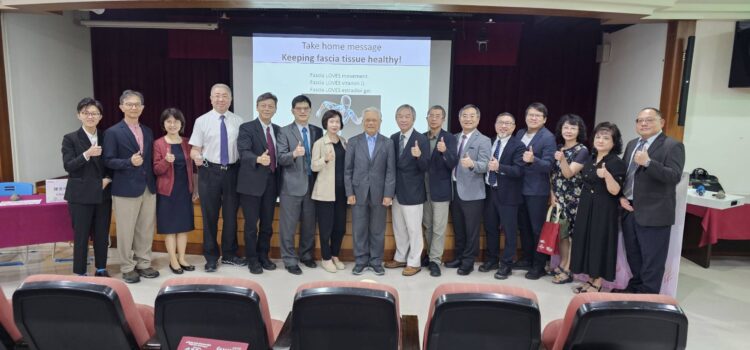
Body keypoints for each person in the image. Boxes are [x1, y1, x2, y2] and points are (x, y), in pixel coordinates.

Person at [616, 107, 685, 294]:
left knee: (652, 259)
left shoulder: (672, 146)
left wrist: (648, 163)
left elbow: (674, 176)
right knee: (634, 255)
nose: (643, 123)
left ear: (661, 123)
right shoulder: (632, 144)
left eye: (649, 120)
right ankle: (635, 288)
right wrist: (621, 196)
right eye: (639, 120)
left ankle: (647, 297)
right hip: (629, 209)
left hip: (655, 212)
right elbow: (626, 175)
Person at [103, 90, 158, 283]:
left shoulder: (148, 131)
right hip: (125, 188)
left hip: (148, 187)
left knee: (145, 228)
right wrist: (128, 162)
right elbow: (108, 160)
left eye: (137, 105)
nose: (133, 108)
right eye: (129, 104)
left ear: (142, 108)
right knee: (126, 230)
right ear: (121, 107)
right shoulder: (112, 132)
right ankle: (127, 266)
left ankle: (144, 263)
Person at [189, 83, 245, 272]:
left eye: (224, 96)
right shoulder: (201, 121)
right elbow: (194, 149)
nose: (221, 99)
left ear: (231, 99)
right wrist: (196, 156)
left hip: (232, 172)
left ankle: (229, 254)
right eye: (217, 96)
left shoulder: (239, 121)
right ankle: (211, 257)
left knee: (231, 216)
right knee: (209, 217)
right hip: (209, 172)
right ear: (211, 98)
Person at [570, 122, 627, 293]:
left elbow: (615, 190)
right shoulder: (591, 158)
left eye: (606, 138)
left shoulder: (615, 162)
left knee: (599, 243)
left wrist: (607, 175)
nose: (601, 140)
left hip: (604, 208)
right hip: (587, 205)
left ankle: (598, 281)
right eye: (598, 137)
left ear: (614, 142)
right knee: (586, 241)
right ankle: (589, 279)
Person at [62, 97, 112, 277]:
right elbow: (68, 166)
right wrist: (87, 154)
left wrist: (107, 178)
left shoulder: (107, 136)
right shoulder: (70, 138)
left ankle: (101, 268)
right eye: (86, 113)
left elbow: (112, 163)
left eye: (94, 113)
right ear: (79, 115)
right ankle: (80, 271)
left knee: (101, 233)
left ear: (100, 116)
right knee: (81, 235)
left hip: (102, 193)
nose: (90, 116)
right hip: (80, 195)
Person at [344, 107, 396, 276]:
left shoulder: (387, 143)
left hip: (380, 193)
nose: (371, 123)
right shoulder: (353, 141)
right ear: (363, 122)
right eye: (367, 120)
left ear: (380, 122)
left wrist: (388, 194)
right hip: (358, 193)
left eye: (374, 120)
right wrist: (349, 192)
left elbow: (390, 171)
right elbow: (348, 170)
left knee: (377, 229)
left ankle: (375, 261)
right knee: (359, 228)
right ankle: (360, 261)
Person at [277, 95, 323, 275]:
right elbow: (281, 158)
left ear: (310, 110)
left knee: (309, 224)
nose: (303, 111)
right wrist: (294, 154)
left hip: (314, 184)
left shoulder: (317, 131)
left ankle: (306, 255)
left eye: (306, 108)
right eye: (299, 109)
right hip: (291, 185)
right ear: (292, 111)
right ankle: (289, 260)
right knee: (288, 226)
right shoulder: (284, 131)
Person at [237, 92, 281, 274]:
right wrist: (257, 159)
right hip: (251, 184)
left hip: (272, 183)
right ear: (257, 107)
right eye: (263, 105)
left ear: (275, 109)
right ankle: (252, 259)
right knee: (250, 225)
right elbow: (243, 151)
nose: (267, 109)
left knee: (267, 224)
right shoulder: (247, 128)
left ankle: (264, 255)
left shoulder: (279, 130)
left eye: (270, 106)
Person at [444, 104, 491, 276]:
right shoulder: (454, 138)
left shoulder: (483, 140)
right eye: (465, 115)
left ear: (478, 119)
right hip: (454, 188)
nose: (468, 119)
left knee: (471, 229)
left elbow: (486, 165)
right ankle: (459, 256)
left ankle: (469, 261)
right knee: (458, 227)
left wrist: (473, 164)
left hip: (473, 192)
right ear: (459, 118)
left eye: (472, 116)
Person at [514, 102, 556, 280]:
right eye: (530, 115)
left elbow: (549, 165)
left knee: (536, 228)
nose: (533, 118)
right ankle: (527, 258)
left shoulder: (548, 137)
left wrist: (533, 160)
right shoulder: (520, 133)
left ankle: (539, 265)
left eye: (537, 116)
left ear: (545, 119)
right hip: (518, 187)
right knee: (523, 226)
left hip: (537, 190)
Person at [480, 112, 525, 280]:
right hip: (489, 192)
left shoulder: (518, 146)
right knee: (490, 227)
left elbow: (519, 171)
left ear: (513, 127)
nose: (503, 126)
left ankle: (507, 264)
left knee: (509, 230)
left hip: (508, 195)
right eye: (501, 122)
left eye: (508, 123)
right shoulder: (489, 142)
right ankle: (492, 259)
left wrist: (499, 167)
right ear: (495, 124)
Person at [384, 104, 429, 276]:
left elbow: (425, 166)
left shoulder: (421, 139)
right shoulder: (393, 138)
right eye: (399, 116)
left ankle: (414, 262)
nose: (403, 119)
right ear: (395, 119)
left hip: (413, 193)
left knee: (414, 229)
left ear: (413, 118)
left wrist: (418, 156)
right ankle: (401, 257)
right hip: (395, 192)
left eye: (406, 116)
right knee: (399, 228)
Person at [153, 108, 196, 274]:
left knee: (183, 227)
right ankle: (173, 260)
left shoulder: (187, 142)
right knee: (170, 228)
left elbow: (192, 168)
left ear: (181, 123)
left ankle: (182, 258)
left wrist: (195, 189)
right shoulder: (159, 143)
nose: (172, 125)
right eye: (169, 121)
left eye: (176, 121)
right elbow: (156, 170)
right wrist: (165, 161)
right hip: (167, 192)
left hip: (184, 190)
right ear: (164, 124)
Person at [549, 114, 589, 284]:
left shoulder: (582, 150)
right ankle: (563, 263)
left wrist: (563, 159)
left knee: (571, 235)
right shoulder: (559, 148)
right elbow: (552, 175)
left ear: (579, 131)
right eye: (566, 127)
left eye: (573, 128)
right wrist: (552, 197)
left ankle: (569, 269)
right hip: (559, 198)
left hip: (575, 199)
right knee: (562, 235)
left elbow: (568, 173)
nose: (569, 131)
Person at [421, 105, 458, 277]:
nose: (434, 118)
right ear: (427, 118)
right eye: (431, 115)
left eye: (438, 116)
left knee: (438, 227)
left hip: (441, 190)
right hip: (423, 189)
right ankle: (430, 255)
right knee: (427, 225)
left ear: (443, 119)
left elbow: (453, 163)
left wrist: (444, 152)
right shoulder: (421, 138)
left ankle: (436, 260)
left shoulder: (449, 138)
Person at [311, 110, 348, 273]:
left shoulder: (344, 141)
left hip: (342, 192)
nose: (335, 124)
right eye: (331, 121)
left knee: (340, 227)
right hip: (325, 192)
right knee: (326, 227)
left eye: (337, 122)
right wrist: (324, 159)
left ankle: (335, 255)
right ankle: (325, 258)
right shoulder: (320, 143)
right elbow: (313, 166)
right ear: (326, 123)